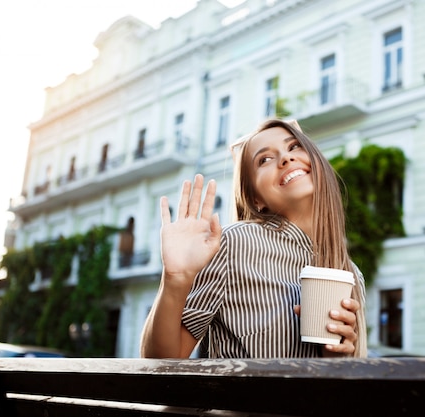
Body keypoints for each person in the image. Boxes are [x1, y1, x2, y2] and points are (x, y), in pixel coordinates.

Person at [141, 119, 367, 358]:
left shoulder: (352, 275)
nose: (286, 158)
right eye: (264, 159)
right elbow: (161, 363)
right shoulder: (232, 244)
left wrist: (337, 359)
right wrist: (175, 280)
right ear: (255, 199)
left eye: (294, 147)